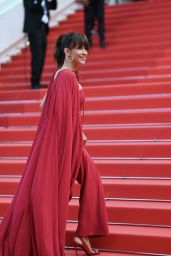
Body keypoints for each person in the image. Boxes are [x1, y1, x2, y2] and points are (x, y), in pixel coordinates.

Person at [0, 32, 109, 255]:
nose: (85, 52)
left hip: (68, 141)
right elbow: (59, 115)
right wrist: (78, 134)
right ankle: (82, 234)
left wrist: (78, 131)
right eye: (80, 48)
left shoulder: (63, 76)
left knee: (92, 177)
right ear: (67, 51)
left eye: (86, 48)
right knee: (86, 180)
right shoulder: (66, 77)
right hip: (64, 144)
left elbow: (44, 105)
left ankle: (83, 234)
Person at [23, 0, 57, 89]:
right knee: (37, 56)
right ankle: (34, 82)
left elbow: (53, 6)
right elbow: (33, 7)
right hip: (34, 29)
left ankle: (37, 81)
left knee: (41, 56)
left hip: (43, 29)